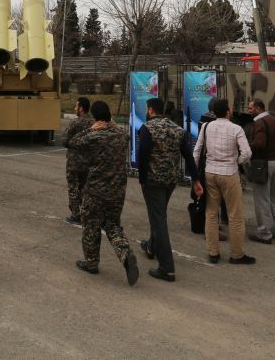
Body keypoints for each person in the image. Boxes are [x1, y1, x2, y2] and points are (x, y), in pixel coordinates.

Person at [70, 100, 139, 285]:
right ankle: (125, 254)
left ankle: (91, 262)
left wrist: (92, 129)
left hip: (96, 189)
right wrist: (111, 124)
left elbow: (74, 142)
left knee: (91, 225)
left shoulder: (95, 135)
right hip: (117, 189)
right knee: (113, 225)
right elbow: (121, 134)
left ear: (94, 117)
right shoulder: (121, 134)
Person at [136, 97, 198, 282]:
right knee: (159, 215)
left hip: (153, 182)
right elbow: (188, 155)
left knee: (158, 220)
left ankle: (167, 268)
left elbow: (143, 156)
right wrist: (195, 179)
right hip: (170, 181)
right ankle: (151, 246)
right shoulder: (177, 129)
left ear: (150, 110)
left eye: (147, 109)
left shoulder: (147, 129)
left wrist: (142, 180)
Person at [193, 98, 255, 264]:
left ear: (214, 112)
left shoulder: (206, 127)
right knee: (235, 215)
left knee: (211, 213)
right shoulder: (236, 128)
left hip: (210, 173)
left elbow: (197, 151)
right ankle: (237, 254)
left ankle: (213, 253)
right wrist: (237, 161)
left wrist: (195, 176)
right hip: (229, 174)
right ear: (228, 111)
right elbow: (247, 153)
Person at [248, 98, 275, 244]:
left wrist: (245, 145)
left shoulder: (259, 122)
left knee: (262, 200)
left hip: (264, 164)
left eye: (251, 108)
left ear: (258, 108)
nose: (249, 110)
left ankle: (264, 233)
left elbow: (260, 143)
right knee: (273, 200)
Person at [63, 97, 93, 224]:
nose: (75, 109)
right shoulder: (93, 123)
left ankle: (76, 214)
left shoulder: (75, 123)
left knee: (73, 188)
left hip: (74, 162)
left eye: (76, 106)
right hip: (88, 161)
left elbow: (64, 140)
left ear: (81, 108)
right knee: (84, 187)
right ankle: (86, 211)